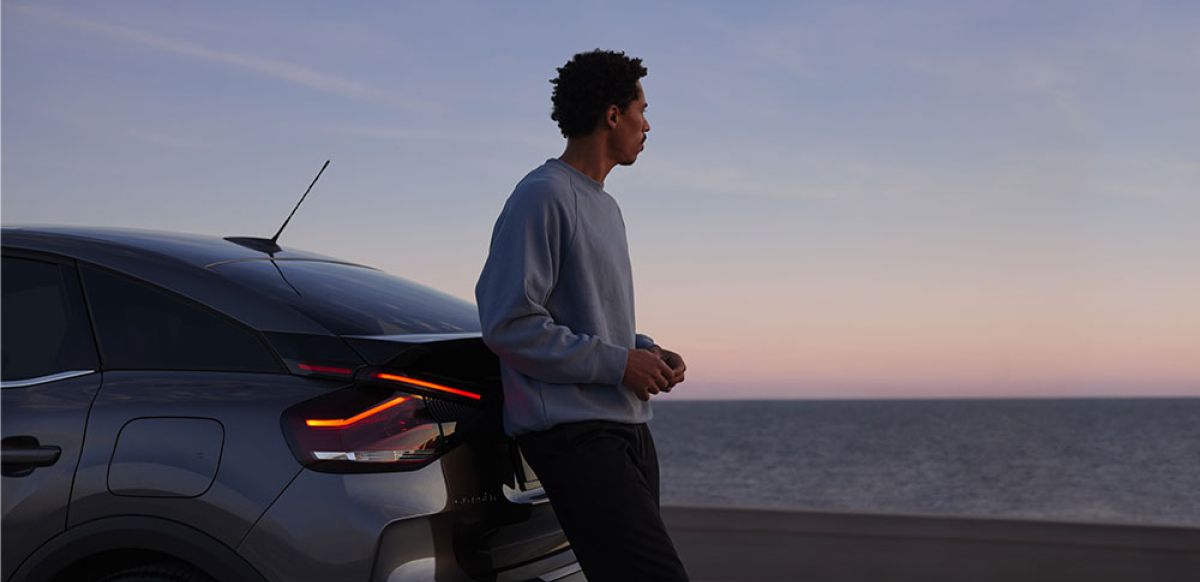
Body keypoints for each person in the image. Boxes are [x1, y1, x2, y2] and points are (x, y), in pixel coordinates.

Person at [475, 49, 690, 581]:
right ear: (613, 115)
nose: (648, 124)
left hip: (628, 428)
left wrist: (642, 350)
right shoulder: (542, 195)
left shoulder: (606, 207)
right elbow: (509, 322)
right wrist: (620, 365)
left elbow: (590, 317)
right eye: (642, 108)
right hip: (576, 435)